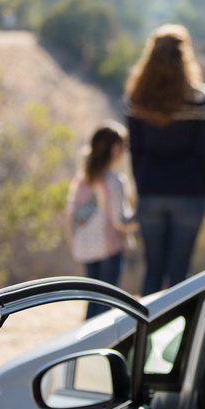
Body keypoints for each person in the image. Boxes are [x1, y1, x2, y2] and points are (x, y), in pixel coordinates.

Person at [124, 24, 205, 297]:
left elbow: (136, 150)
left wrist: (139, 190)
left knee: (153, 272)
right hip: (189, 192)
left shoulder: (137, 98)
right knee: (179, 273)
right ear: (185, 54)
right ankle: (178, 338)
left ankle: (145, 337)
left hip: (150, 191)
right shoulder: (200, 97)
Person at [66, 121, 139, 319]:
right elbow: (119, 220)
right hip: (108, 247)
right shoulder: (114, 181)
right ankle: (98, 344)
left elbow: (72, 213)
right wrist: (140, 219)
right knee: (106, 302)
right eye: (123, 146)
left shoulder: (82, 179)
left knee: (93, 298)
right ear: (115, 148)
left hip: (86, 247)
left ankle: (85, 343)